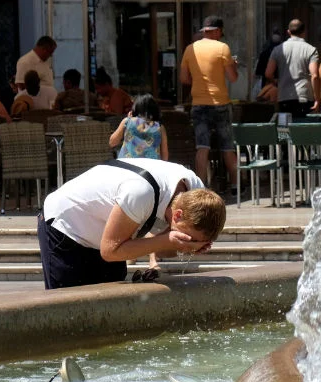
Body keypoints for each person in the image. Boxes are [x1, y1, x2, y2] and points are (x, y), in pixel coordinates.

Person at [38, 158, 225, 289]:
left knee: (112, 311)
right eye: (190, 237)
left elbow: (161, 250)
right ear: (177, 215)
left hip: (111, 235)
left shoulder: (196, 193)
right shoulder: (140, 194)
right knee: (71, 313)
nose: (188, 240)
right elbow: (110, 251)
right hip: (66, 227)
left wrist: (186, 247)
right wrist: (168, 240)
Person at [179, 15, 239, 195]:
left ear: (204, 31)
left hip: (198, 103)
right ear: (218, 31)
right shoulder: (223, 48)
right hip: (220, 103)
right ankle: (236, 186)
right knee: (227, 146)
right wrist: (232, 65)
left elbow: (183, 79)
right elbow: (233, 78)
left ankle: (199, 188)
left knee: (202, 147)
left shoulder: (190, 49)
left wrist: (198, 79)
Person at [265, 19, 321, 118]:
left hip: (284, 97)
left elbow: (268, 73)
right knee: (302, 129)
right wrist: (317, 99)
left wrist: (277, 83)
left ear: (288, 32)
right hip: (304, 97)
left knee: (286, 131)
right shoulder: (311, 50)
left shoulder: (277, 50)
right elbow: (315, 75)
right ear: (304, 32)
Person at [109, 94, 168, 161]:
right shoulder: (160, 127)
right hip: (150, 169)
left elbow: (112, 142)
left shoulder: (127, 121)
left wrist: (128, 120)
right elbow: (164, 156)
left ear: (136, 108)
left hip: (127, 166)